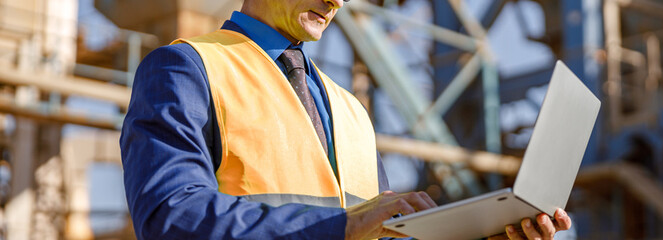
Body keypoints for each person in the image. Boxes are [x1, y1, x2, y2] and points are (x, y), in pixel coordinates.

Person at [119, 0, 572, 239]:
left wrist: (486, 238)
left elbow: (384, 237)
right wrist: (344, 227)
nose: (334, 1)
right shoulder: (186, 68)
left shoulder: (350, 109)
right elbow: (170, 216)